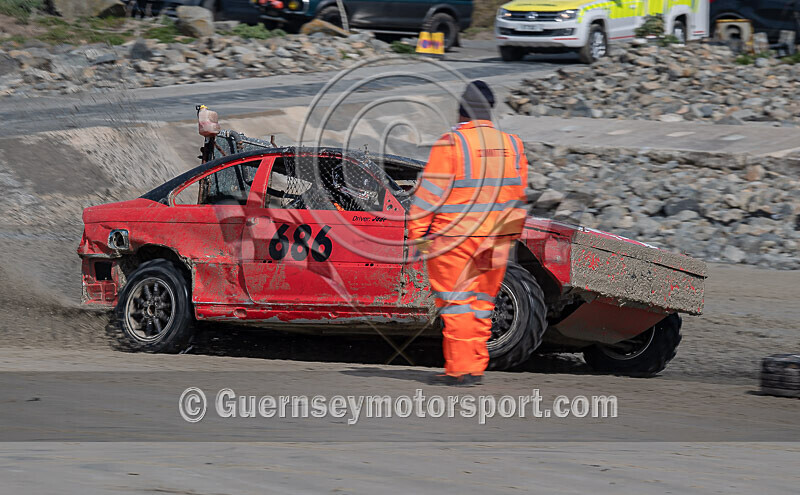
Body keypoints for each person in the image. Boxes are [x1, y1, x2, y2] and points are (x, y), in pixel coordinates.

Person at [408, 80, 529, 386]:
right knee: (482, 304)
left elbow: (426, 199)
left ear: (461, 108)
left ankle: (460, 370)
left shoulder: (452, 144)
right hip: (497, 238)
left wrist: (420, 240)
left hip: (454, 240)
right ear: (490, 109)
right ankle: (474, 367)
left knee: (457, 304)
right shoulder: (512, 144)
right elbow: (518, 196)